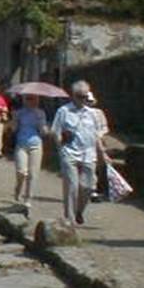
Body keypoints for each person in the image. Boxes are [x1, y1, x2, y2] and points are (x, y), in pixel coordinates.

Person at [51, 80, 103, 226]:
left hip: (88, 154)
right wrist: (60, 148)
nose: (83, 99)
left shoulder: (92, 113)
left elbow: (97, 134)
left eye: (85, 96)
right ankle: (69, 218)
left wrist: (102, 154)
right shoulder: (64, 111)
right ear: (73, 96)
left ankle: (79, 211)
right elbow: (56, 132)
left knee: (87, 186)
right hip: (69, 152)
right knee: (72, 186)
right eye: (80, 96)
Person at [11, 93, 48, 213]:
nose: (31, 101)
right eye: (28, 98)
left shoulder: (40, 113)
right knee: (21, 171)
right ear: (24, 100)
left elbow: (43, 131)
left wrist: (42, 124)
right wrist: (14, 119)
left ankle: (28, 199)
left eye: (34, 99)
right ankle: (18, 188)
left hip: (36, 144)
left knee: (33, 174)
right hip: (21, 144)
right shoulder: (19, 113)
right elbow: (13, 129)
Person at [87, 91, 110, 201]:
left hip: (98, 141)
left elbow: (104, 127)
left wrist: (99, 135)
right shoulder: (78, 114)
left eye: (90, 101)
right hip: (85, 143)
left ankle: (97, 189)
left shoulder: (98, 113)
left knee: (99, 167)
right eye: (87, 101)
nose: (88, 103)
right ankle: (92, 190)